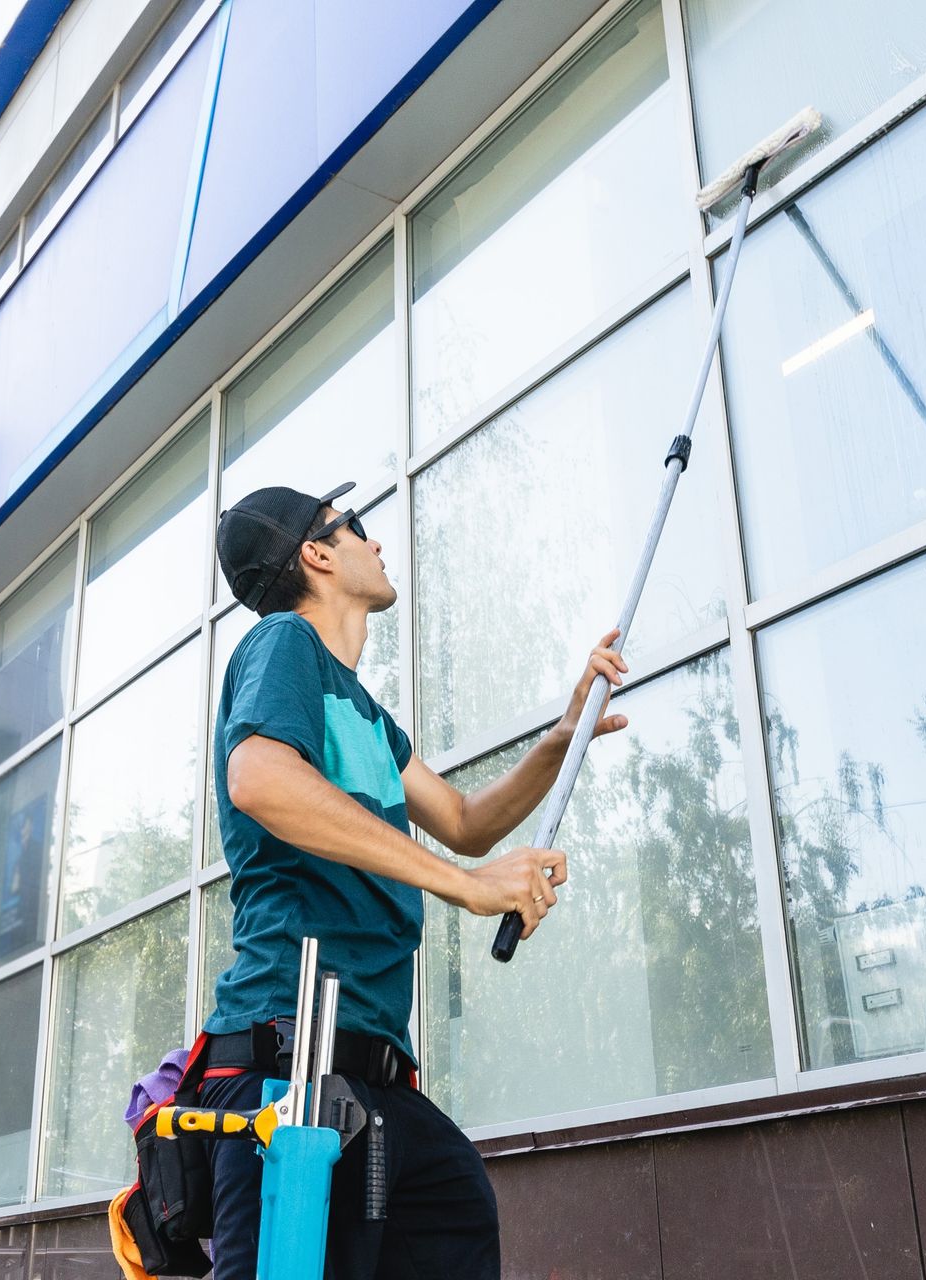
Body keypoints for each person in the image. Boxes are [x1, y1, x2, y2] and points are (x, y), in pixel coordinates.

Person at [202, 481, 628, 1278]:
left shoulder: (362, 712)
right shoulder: (283, 646)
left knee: (453, 1203)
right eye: (357, 527)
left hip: (375, 1075)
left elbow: (465, 819)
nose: (378, 541)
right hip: (288, 1066)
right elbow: (257, 776)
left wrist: (563, 736)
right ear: (317, 553)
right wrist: (465, 886)